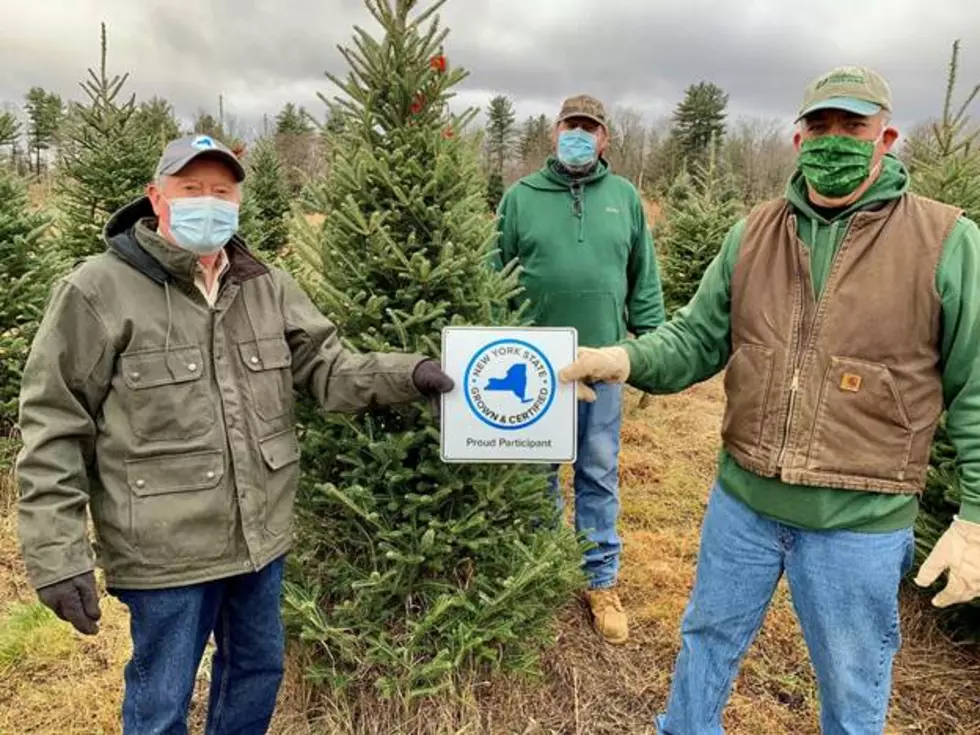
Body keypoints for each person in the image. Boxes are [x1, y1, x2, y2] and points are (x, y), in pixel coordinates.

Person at [558, 66, 980, 732]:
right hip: (742, 506)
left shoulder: (945, 242)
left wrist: (977, 517)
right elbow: (696, 338)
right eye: (821, 126)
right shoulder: (753, 233)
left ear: (886, 137)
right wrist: (621, 358)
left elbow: (977, 383)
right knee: (704, 645)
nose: (834, 139)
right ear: (798, 138)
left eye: (853, 126)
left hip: (858, 523)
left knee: (852, 686)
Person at [15, 134, 454, 734]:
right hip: (165, 550)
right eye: (190, 189)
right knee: (162, 697)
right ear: (155, 196)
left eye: (221, 191)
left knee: (256, 672)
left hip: (259, 538)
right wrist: (56, 556)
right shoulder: (96, 291)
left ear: (239, 201)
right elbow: (54, 425)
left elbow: (326, 369)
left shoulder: (263, 285)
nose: (207, 202)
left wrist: (414, 373)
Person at [493, 95, 665, 644]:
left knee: (597, 469)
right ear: (554, 132)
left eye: (590, 128)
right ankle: (545, 571)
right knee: (538, 471)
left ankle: (600, 580)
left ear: (604, 138)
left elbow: (644, 276)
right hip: (535, 368)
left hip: (604, 361)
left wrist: (651, 348)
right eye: (571, 126)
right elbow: (492, 272)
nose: (579, 135)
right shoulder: (520, 198)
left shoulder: (624, 198)